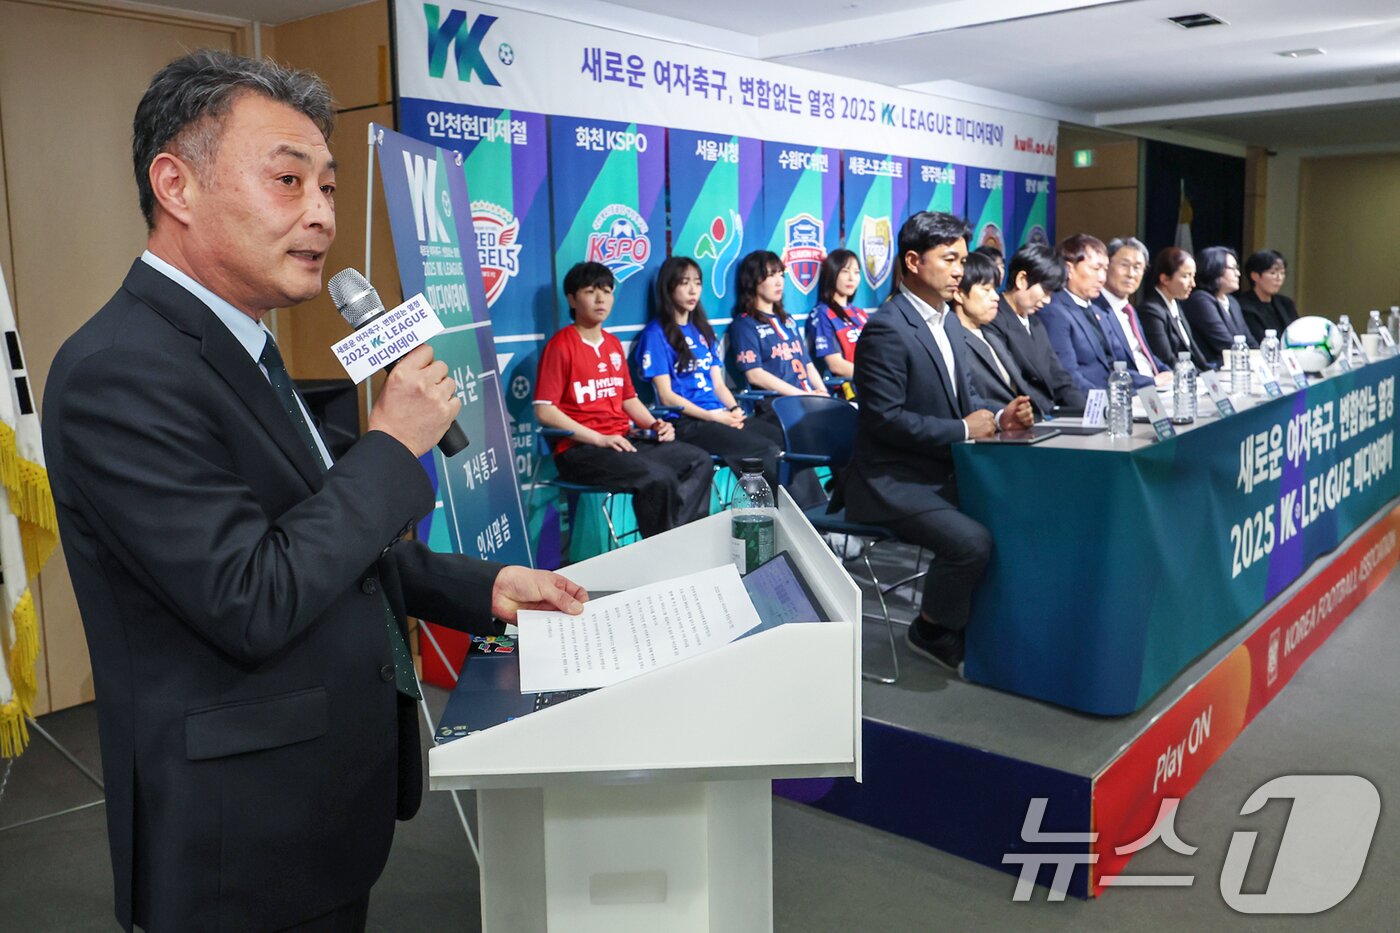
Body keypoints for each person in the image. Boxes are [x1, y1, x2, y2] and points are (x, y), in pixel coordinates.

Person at [41, 51, 587, 933]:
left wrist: (476, 588)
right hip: (237, 843)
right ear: (176, 185)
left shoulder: (246, 343)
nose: (322, 216)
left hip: (319, 809)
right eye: (288, 181)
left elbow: (323, 543)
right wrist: (390, 445)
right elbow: (250, 595)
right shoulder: (118, 372)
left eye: (328, 188)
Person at [838, 212, 1033, 672]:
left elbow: (963, 397)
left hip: (941, 470)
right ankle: (930, 629)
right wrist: (965, 430)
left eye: (963, 259)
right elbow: (884, 421)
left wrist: (1000, 416)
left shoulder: (947, 322)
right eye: (949, 259)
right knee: (971, 541)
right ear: (912, 261)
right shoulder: (887, 328)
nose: (960, 270)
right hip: (891, 481)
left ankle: (986, 626)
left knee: (1017, 519)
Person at [535, 261, 713, 539]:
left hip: (624, 440)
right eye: (591, 291)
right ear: (572, 298)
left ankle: (679, 540)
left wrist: (655, 424)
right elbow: (545, 411)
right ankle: (664, 558)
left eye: (606, 291)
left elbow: (629, 399)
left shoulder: (612, 344)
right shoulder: (561, 345)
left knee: (699, 460)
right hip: (581, 450)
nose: (600, 298)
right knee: (658, 477)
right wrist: (599, 439)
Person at [632, 255, 789, 498]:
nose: (693, 289)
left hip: (719, 415)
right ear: (668, 287)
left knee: (783, 439)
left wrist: (734, 409)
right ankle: (780, 517)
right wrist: (714, 417)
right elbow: (665, 395)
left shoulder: (702, 331)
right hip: (687, 422)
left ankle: (812, 517)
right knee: (762, 449)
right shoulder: (655, 334)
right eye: (684, 283)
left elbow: (718, 384)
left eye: (697, 282)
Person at [1037, 234, 1162, 392]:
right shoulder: (1055, 311)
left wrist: (1149, 384)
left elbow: (1113, 367)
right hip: (1086, 406)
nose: (1102, 278)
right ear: (1069, 269)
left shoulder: (1097, 311)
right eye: (1096, 269)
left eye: (1105, 269)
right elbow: (1067, 377)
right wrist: (1106, 403)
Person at [984, 243, 1086, 416]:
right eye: (1045, 291)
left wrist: (1088, 413)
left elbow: (1059, 377)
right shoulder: (993, 319)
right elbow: (1017, 383)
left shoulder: (1036, 324)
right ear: (1021, 280)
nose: (1047, 300)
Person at [728, 250, 831, 398]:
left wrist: (823, 393)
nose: (779, 282)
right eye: (771, 275)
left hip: (808, 399)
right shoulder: (744, 324)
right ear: (752, 280)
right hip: (780, 406)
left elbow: (807, 364)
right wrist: (803, 395)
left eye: (781, 275)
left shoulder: (787, 320)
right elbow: (754, 375)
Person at [951, 252, 1032, 409]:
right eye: (986, 289)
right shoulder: (954, 340)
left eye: (995, 289)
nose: (996, 297)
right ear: (959, 294)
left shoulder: (993, 334)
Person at [1093, 237, 1175, 384]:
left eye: (1138, 267)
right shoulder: (1095, 309)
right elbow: (1107, 366)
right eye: (1124, 265)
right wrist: (1151, 382)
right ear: (1106, 266)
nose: (1131, 274)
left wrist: (1168, 372)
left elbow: (1145, 354)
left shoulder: (1129, 310)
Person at [1137, 246, 1213, 371]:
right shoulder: (1151, 311)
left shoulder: (1176, 304)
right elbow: (1166, 359)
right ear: (1165, 279)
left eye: (1193, 276)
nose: (1193, 284)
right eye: (1186, 276)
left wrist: (1210, 375)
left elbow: (1193, 350)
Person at [1183, 246, 1256, 367]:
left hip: (1238, 366)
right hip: (1212, 369)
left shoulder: (1232, 302)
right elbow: (1225, 344)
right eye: (1232, 268)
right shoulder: (1200, 300)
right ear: (1214, 269)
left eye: (1237, 268)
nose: (1238, 274)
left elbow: (1249, 340)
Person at [805, 248, 870, 381]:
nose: (852, 278)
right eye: (845, 271)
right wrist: (876, 377)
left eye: (856, 272)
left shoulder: (860, 314)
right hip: (846, 391)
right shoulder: (822, 313)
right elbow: (835, 365)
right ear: (832, 273)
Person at [1237, 249, 1300, 342]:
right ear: (1255, 276)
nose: (1279, 278)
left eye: (1282, 273)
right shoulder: (1243, 306)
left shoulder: (1286, 303)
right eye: (1273, 273)